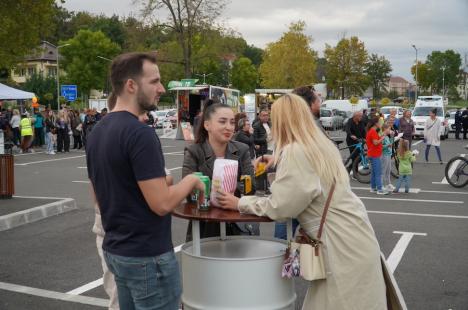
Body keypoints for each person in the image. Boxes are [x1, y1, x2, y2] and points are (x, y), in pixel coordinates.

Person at [216, 93, 387, 310]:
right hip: (354, 238)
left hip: (339, 247)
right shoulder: (320, 144)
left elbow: (282, 206)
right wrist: (278, 160)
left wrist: (239, 203)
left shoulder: (296, 152)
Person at [86, 52, 204, 310]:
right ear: (131, 85)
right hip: (147, 258)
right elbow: (161, 204)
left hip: (117, 251)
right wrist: (192, 180)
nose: (161, 88)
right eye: (154, 81)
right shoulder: (140, 134)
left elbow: (97, 195)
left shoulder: (97, 132)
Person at [182, 103, 257, 240]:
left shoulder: (242, 150)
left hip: (238, 226)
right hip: (205, 228)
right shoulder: (194, 151)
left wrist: (234, 197)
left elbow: (251, 187)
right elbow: (189, 193)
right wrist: (220, 194)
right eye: (222, 121)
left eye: (232, 122)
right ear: (207, 125)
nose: (229, 127)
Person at [366, 116, 389, 195]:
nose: (380, 124)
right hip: (374, 154)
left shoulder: (372, 131)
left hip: (372, 154)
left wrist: (383, 135)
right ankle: (379, 189)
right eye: (379, 122)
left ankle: (373, 188)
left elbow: (376, 140)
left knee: (374, 172)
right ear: (376, 123)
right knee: (378, 172)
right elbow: (376, 142)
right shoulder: (373, 132)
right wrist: (383, 137)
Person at [381, 123, 395, 191]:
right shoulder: (382, 136)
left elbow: (391, 144)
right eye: (389, 129)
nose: (390, 130)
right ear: (385, 129)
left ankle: (388, 184)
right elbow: (380, 147)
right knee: (383, 170)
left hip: (389, 154)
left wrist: (392, 137)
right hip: (384, 155)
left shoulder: (386, 136)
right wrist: (387, 146)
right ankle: (382, 185)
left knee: (388, 170)